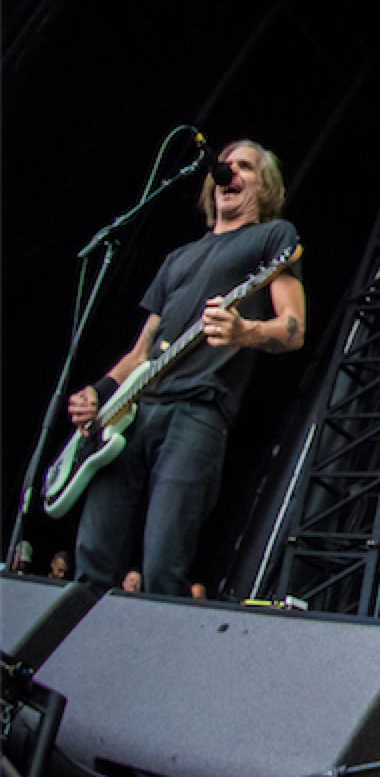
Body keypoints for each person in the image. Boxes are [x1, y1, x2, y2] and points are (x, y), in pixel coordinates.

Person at [67, 142, 304, 598]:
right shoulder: (177, 258)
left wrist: (244, 331)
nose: (229, 173)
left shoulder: (274, 236)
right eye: (225, 166)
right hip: (130, 414)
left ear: (264, 186)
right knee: (92, 557)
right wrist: (99, 391)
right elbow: (141, 352)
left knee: (163, 563)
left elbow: (294, 329)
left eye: (244, 167)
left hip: (197, 412)